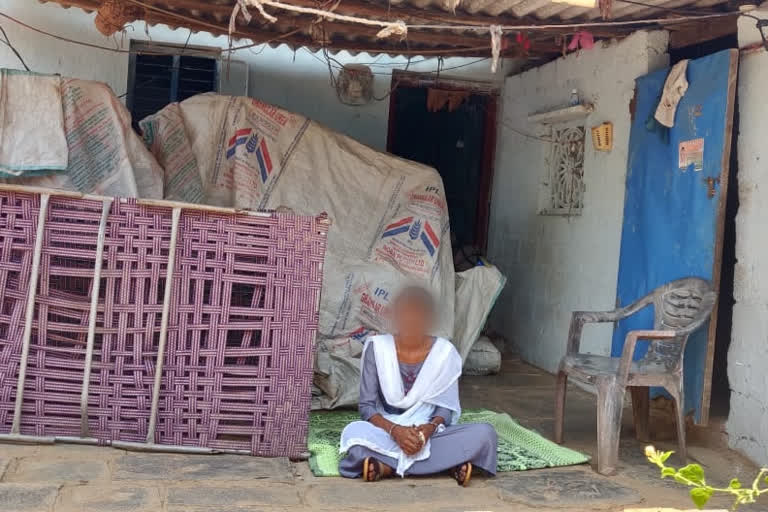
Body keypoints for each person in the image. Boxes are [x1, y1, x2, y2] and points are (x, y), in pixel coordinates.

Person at [339, 285, 497, 486]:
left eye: (418, 315)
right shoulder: (377, 348)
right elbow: (367, 408)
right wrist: (396, 431)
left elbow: (445, 410)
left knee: (484, 434)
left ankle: (387, 467)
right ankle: (448, 464)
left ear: (429, 319)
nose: (411, 320)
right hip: (386, 429)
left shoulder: (444, 353)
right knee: (354, 434)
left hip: (429, 431)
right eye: (405, 313)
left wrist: (427, 431)